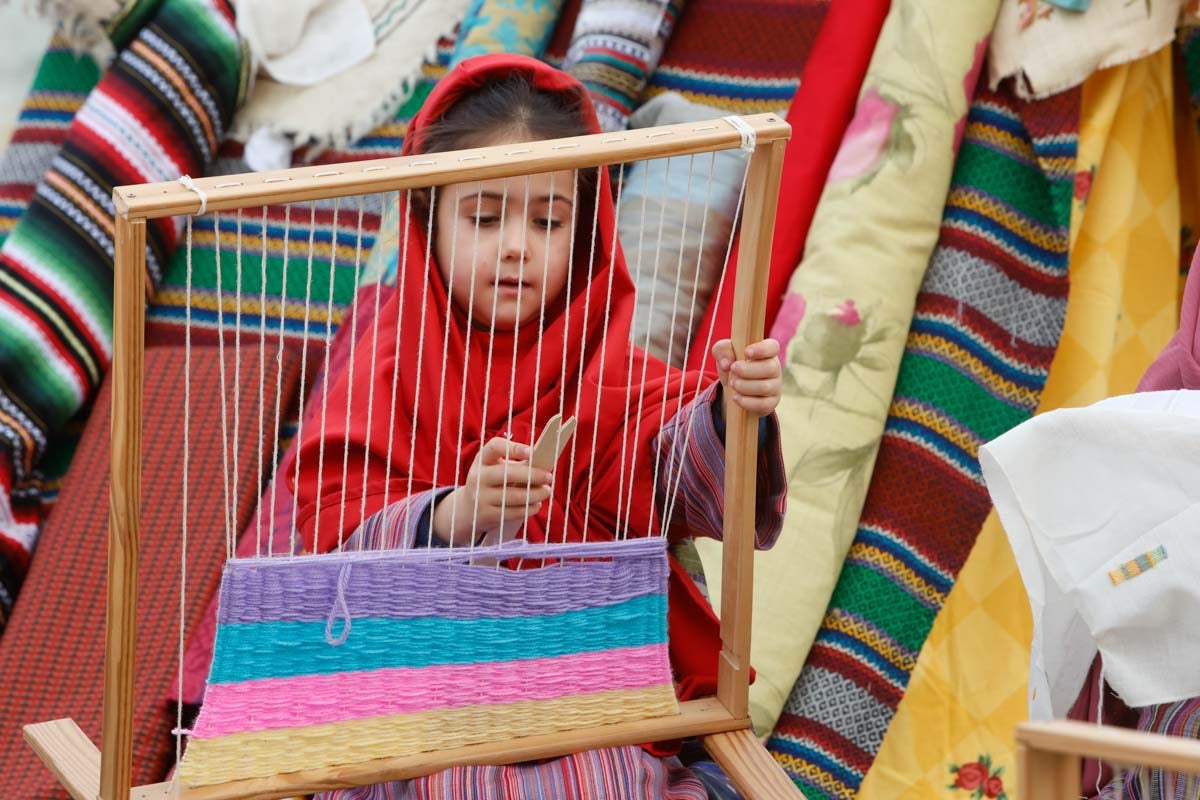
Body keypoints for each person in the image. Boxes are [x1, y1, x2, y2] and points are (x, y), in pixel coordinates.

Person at [289, 54, 787, 799]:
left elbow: (668, 459)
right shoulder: (381, 374)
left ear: (588, 231)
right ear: (426, 217)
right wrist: (457, 515)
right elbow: (332, 540)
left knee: (599, 778)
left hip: (585, 697)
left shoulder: (611, 371)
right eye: (485, 217)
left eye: (549, 221)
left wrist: (732, 407)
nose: (517, 244)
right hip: (419, 705)